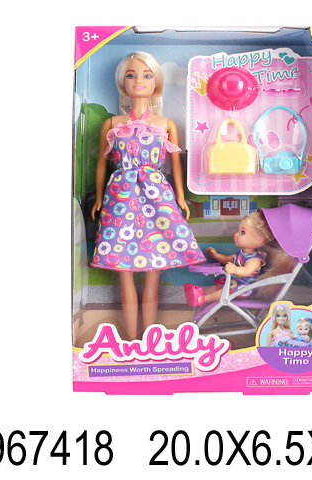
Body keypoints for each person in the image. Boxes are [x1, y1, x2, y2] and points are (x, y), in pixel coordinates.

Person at [91, 52, 205, 340]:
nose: (138, 80)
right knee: (124, 271)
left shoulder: (165, 124)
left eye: (146, 75)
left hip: (157, 196)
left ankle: (149, 339)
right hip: (120, 197)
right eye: (131, 75)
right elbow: (102, 164)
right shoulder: (113, 124)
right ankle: (132, 340)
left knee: (154, 269)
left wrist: (181, 198)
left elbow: (175, 165)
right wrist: (99, 198)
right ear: (123, 82)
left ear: (156, 82)